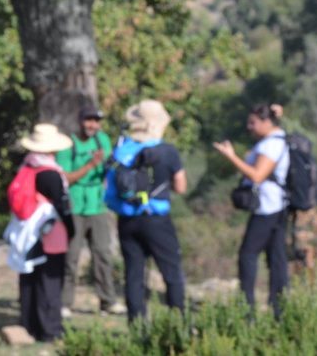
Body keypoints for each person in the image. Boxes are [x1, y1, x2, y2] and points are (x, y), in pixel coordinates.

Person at [105, 99, 187, 322]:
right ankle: (178, 321)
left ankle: (137, 325)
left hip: (126, 220)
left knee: (134, 274)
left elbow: (109, 185)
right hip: (156, 218)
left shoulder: (121, 151)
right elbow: (181, 186)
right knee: (171, 272)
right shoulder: (167, 151)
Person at [213, 103, 290, 318]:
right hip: (276, 206)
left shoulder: (271, 146)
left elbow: (257, 175)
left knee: (248, 255)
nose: (249, 127)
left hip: (268, 208)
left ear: (267, 122)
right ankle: (279, 309)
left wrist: (231, 157)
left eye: (253, 123)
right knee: (276, 259)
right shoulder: (272, 141)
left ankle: (247, 310)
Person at [55, 99, 126, 317]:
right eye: (89, 120)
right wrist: (90, 165)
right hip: (75, 205)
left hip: (97, 205)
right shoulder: (68, 144)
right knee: (71, 257)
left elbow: (106, 170)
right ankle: (64, 302)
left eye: (96, 121)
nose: (92, 125)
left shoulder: (102, 140)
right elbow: (65, 177)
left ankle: (107, 301)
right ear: (80, 121)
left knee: (103, 254)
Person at [12, 123, 76, 342]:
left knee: (30, 278)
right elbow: (61, 205)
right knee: (50, 281)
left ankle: (29, 324)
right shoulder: (50, 174)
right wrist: (71, 228)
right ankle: (50, 330)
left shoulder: (26, 167)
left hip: (27, 233)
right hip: (50, 234)